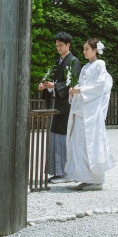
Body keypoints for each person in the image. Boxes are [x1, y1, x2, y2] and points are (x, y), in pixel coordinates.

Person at [64, 38, 115, 190]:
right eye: (84, 49)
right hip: (82, 109)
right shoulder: (86, 67)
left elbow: (100, 85)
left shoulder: (100, 65)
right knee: (79, 143)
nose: (84, 51)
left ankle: (96, 179)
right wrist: (74, 90)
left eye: (87, 49)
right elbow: (83, 84)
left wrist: (81, 90)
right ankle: (85, 177)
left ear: (95, 50)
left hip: (92, 112)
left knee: (92, 143)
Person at [38, 31, 82, 184]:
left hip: (66, 105)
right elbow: (54, 82)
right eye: (56, 45)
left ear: (68, 45)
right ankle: (57, 171)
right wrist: (46, 86)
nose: (58, 48)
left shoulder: (73, 61)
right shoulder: (58, 62)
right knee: (55, 136)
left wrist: (54, 86)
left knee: (64, 137)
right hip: (57, 103)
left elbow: (73, 84)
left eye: (61, 45)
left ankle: (66, 172)